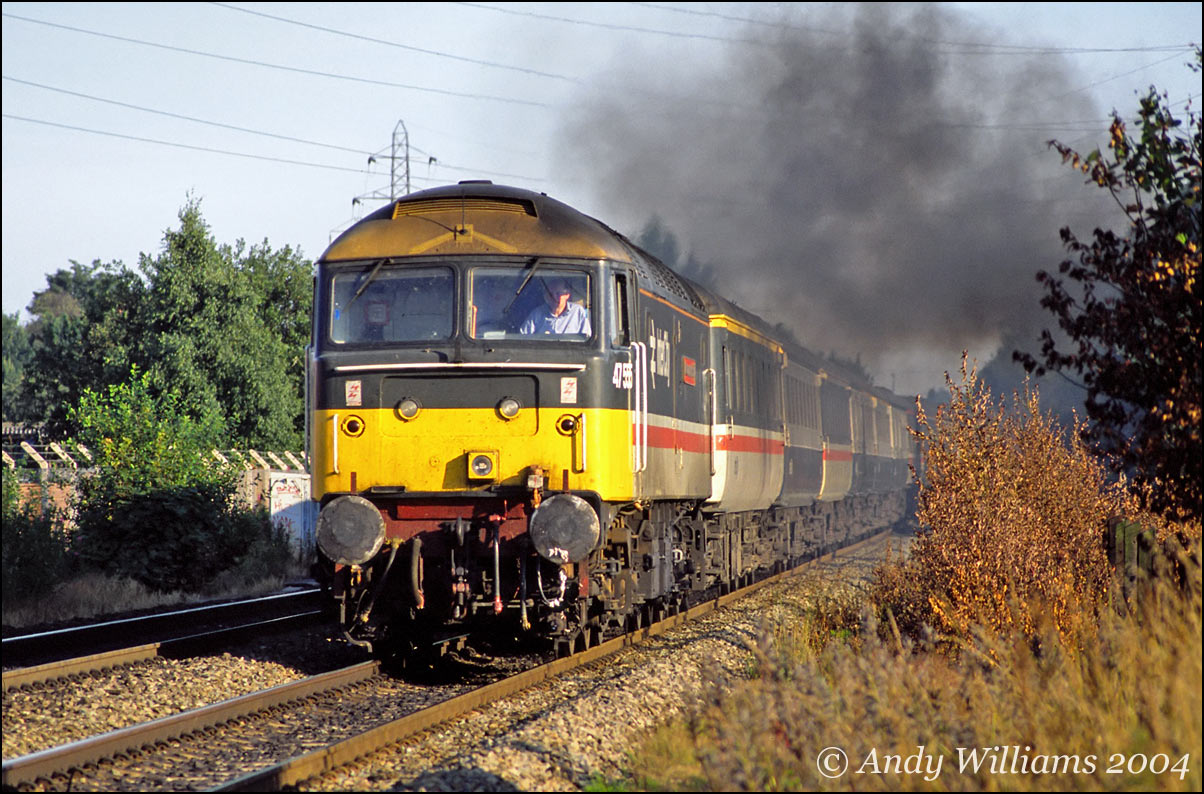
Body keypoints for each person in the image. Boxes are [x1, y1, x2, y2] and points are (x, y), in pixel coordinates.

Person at [519, 278, 591, 336]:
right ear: (545, 296)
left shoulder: (577, 312)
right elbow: (523, 338)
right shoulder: (537, 314)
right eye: (550, 294)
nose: (553, 297)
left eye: (558, 293)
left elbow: (587, 338)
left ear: (567, 295)